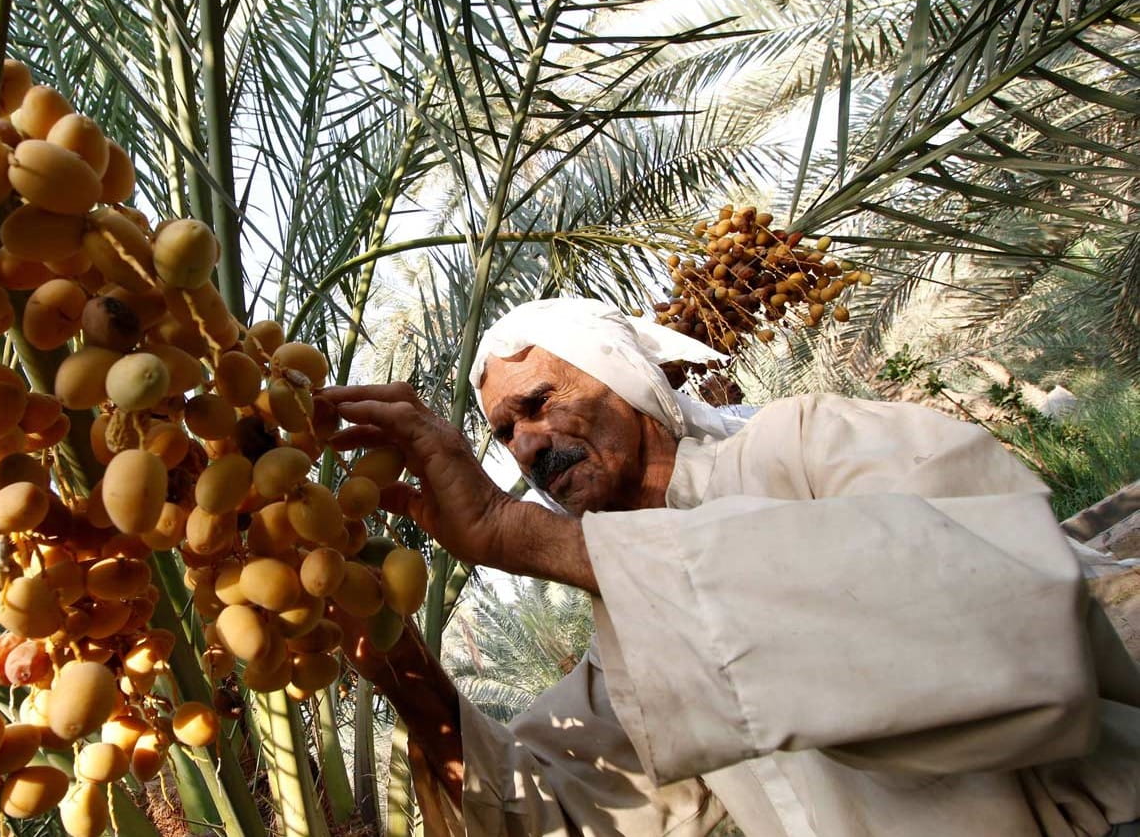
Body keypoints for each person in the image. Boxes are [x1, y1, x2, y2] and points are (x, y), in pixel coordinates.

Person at [319, 298, 1140, 837]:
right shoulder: (625, 642)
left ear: (629, 383)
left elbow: (997, 603)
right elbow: (558, 809)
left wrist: (520, 535)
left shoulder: (805, 445)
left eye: (539, 403)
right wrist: (400, 665)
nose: (527, 443)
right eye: (503, 433)